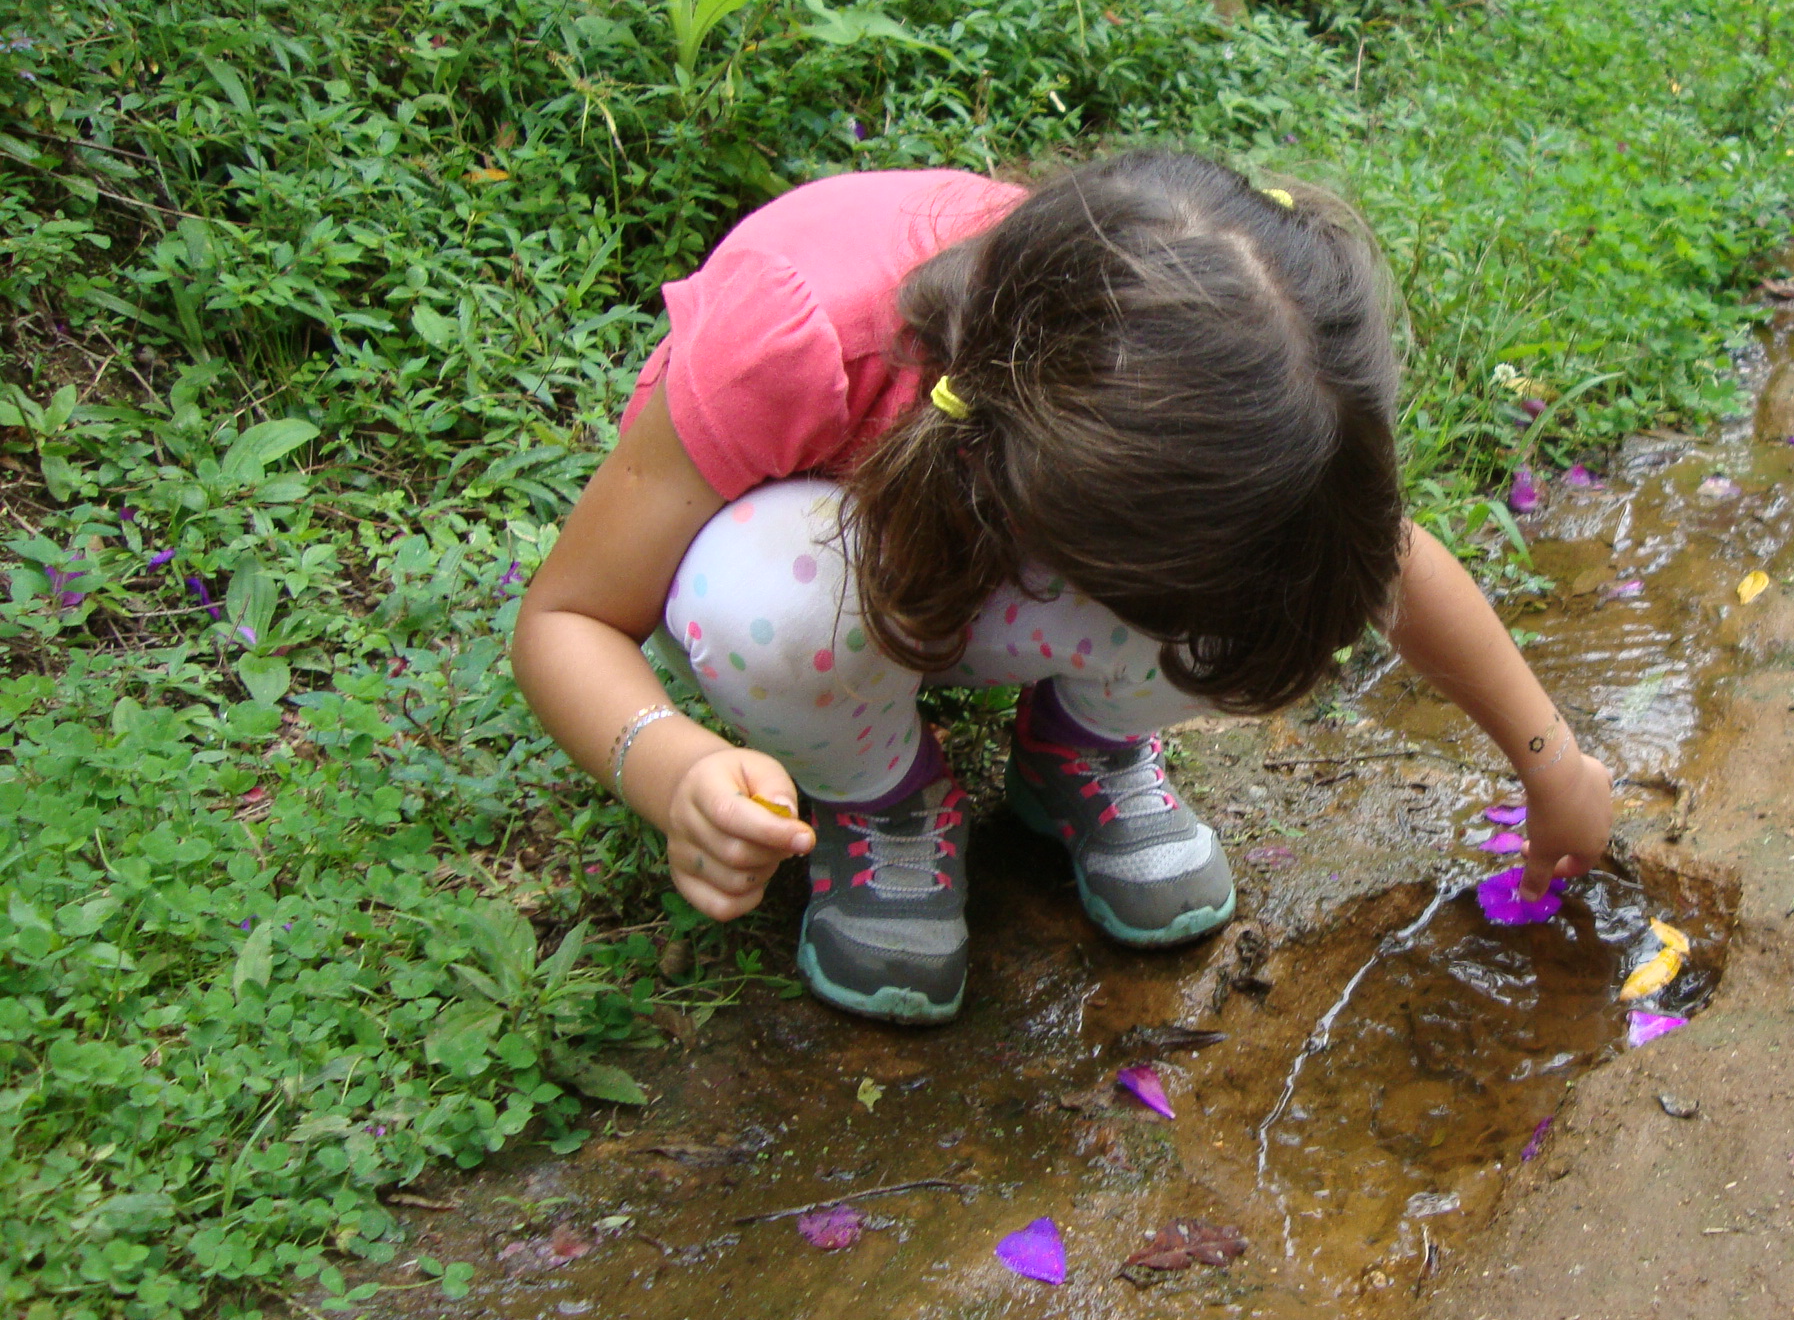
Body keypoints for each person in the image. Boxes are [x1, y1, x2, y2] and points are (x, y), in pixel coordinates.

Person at [512, 149, 1613, 1023]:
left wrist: (1549, 758)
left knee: (1268, 583)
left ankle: (1075, 753)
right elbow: (566, 619)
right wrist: (674, 770)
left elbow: (1379, 561)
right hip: (824, 561)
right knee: (772, 601)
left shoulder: (1190, 387)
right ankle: (881, 796)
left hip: (1028, 534)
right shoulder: (796, 340)